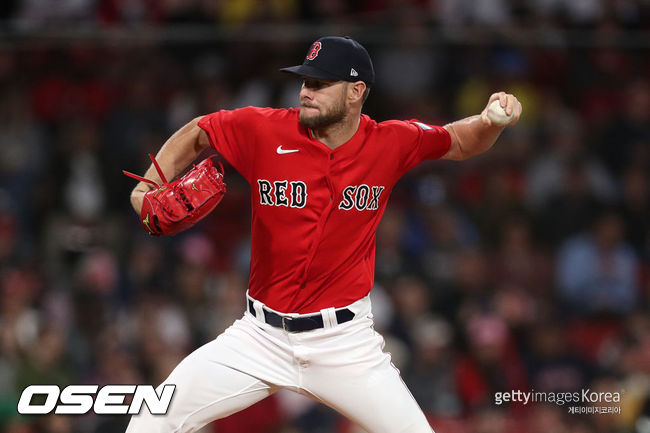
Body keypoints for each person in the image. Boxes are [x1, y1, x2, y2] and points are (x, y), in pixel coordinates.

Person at [126, 36, 522, 433]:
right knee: (152, 419)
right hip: (259, 337)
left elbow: (457, 140)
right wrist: (147, 188)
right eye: (304, 82)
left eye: (319, 84)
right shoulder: (263, 129)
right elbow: (200, 130)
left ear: (356, 91)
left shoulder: (390, 141)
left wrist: (489, 122)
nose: (305, 92)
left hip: (345, 345)